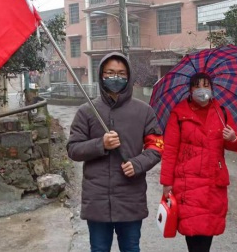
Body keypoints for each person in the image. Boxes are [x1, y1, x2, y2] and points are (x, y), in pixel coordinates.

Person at [67, 53, 164, 252]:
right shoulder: (87, 111)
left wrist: (138, 164)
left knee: (130, 248)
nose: (115, 77)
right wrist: (100, 144)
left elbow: (156, 147)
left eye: (121, 73)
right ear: (101, 75)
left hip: (130, 198)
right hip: (97, 199)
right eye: (110, 73)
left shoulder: (144, 111)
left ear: (128, 78)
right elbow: (73, 149)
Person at [160, 72, 237, 252]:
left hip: (214, 184)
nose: (202, 90)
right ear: (190, 90)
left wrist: (233, 138)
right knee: (193, 234)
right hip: (188, 184)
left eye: (206, 85)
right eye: (197, 86)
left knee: (207, 232)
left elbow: (235, 146)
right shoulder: (179, 114)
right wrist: (167, 183)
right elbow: (170, 150)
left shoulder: (222, 113)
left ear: (212, 89)